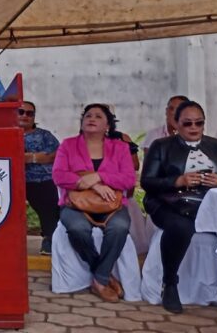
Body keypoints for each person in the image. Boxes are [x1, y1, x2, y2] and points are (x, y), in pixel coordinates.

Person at [141, 100, 217, 314]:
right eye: (188, 124)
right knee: (181, 227)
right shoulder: (161, 146)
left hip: (210, 205)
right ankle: (170, 284)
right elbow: (147, 182)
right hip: (169, 204)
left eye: (199, 123)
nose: (194, 128)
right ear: (176, 123)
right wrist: (177, 181)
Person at [52, 103, 135, 303]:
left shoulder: (120, 148)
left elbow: (128, 179)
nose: (92, 118)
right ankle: (103, 275)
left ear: (108, 125)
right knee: (77, 228)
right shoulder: (68, 145)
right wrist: (92, 185)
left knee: (120, 227)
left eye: (98, 116)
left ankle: (98, 278)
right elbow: (58, 175)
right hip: (75, 203)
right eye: (88, 115)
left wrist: (98, 176)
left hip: (110, 205)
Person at [19, 101, 60, 255]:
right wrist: (39, 156)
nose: (25, 116)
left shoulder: (44, 135)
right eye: (21, 112)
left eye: (30, 113)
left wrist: (28, 157)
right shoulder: (4, 133)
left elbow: (54, 155)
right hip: (11, 181)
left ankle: (50, 239)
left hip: (42, 179)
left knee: (48, 206)